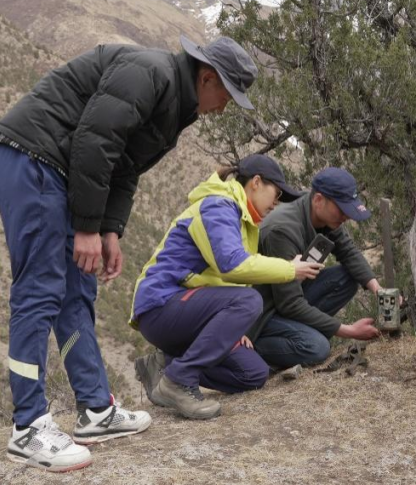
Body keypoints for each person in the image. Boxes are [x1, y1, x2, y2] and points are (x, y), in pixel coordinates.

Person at [0, 35, 258, 472]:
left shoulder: (174, 103)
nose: (223, 108)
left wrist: (109, 230)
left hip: (64, 174)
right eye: (226, 95)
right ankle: (28, 428)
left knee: (77, 293)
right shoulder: (150, 73)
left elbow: (125, 166)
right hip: (33, 160)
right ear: (207, 77)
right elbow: (94, 142)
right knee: (39, 292)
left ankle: (96, 410)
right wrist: (88, 227)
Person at [129, 155, 323, 419]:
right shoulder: (218, 206)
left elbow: (226, 275)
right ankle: (178, 380)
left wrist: (231, 323)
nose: (276, 203)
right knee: (248, 301)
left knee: (253, 374)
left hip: (187, 310)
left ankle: (166, 365)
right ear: (256, 182)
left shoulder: (242, 218)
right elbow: (231, 264)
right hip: (160, 306)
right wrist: (290, 269)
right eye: (276, 193)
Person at [249, 167, 388, 368]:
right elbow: (289, 303)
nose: (346, 216)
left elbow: (348, 252)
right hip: (264, 314)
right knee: (317, 348)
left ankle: (301, 331)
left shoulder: (321, 214)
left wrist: (379, 290)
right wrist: (348, 330)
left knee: (348, 278)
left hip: (288, 298)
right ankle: (256, 349)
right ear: (319, 200)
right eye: (342, 209)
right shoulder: (282, 231)